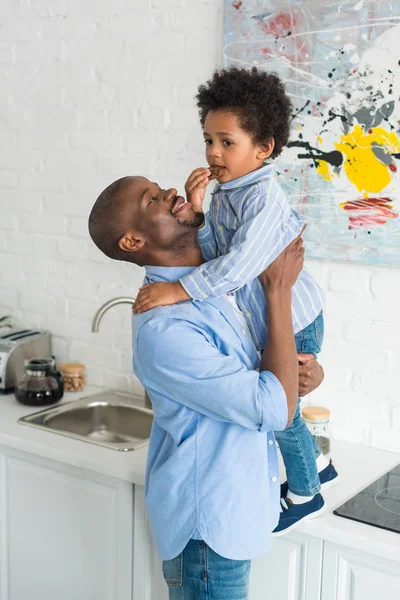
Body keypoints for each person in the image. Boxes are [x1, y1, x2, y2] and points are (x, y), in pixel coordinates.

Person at [88, 175, 324, 598]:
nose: (170, 194)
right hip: (208, 534)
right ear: (131, 242)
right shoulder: (164, 328)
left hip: (234, 514)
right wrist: (279, 291)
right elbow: (272, 407)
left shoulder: (206, 286)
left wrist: (306, 373)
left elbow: (268, 376)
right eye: (152, 199)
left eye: (161, 187)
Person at [132, 67, 338, 533]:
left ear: (263, 149)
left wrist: (177, 288)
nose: (212, 152)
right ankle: (320, 469)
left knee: (284, 416)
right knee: (289, 411)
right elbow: (215, 248)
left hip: (295, 315)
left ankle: (306, 493)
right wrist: (199, 208)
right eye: (208, 140)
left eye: (227, 142)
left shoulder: (262, 198)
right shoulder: (227, 192)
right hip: (269, 313)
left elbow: (240, 266)